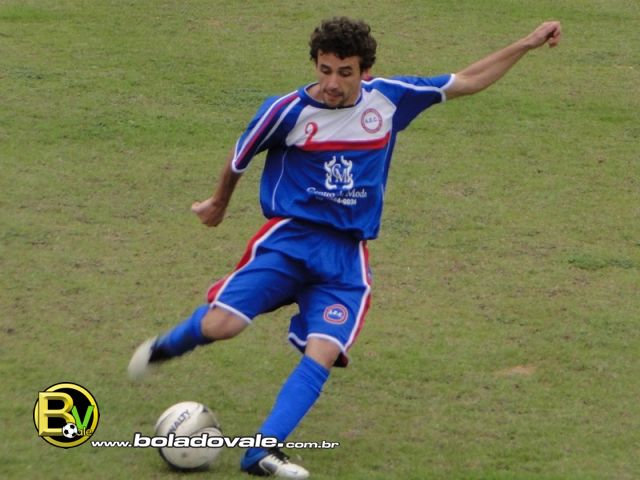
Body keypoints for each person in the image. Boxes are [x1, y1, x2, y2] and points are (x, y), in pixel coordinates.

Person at [128, 17, 562, 478]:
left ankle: (261, 451)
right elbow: (239, 159)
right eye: (325, 70)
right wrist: (218, 203)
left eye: (345, 72)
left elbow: (468, 79)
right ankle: (164, 347)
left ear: (365, 71)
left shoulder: (389, 99)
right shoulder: (286, 111)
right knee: (223, 325)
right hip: (290, 241)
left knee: (325, 349)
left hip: (345, 258)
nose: (332, 83)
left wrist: (527, 43)